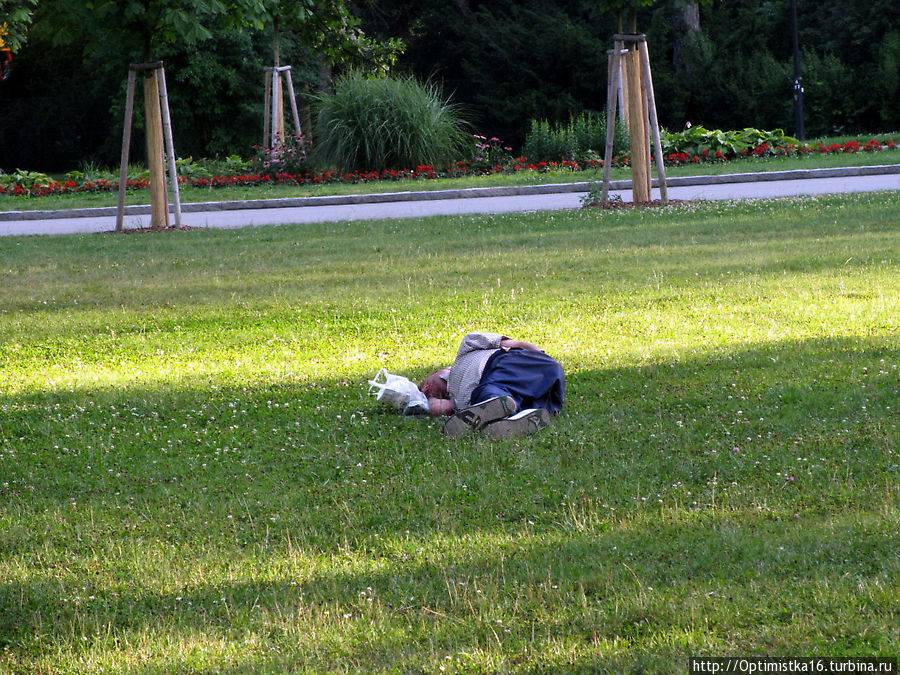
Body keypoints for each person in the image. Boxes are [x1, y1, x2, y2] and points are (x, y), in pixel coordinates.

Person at [420, 331, 564, 439]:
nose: (427, 389)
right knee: (509, 398)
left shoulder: (467, 347)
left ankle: (502, 408)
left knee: (490, 392)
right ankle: (516, 419)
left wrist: (540, 356)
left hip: (504, 363)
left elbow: (516, 344)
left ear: (444, 370)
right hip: (517, 390)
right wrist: (430, 400)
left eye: (427, 382)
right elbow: (438, 408)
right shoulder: (457, 401)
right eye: (425, 393)